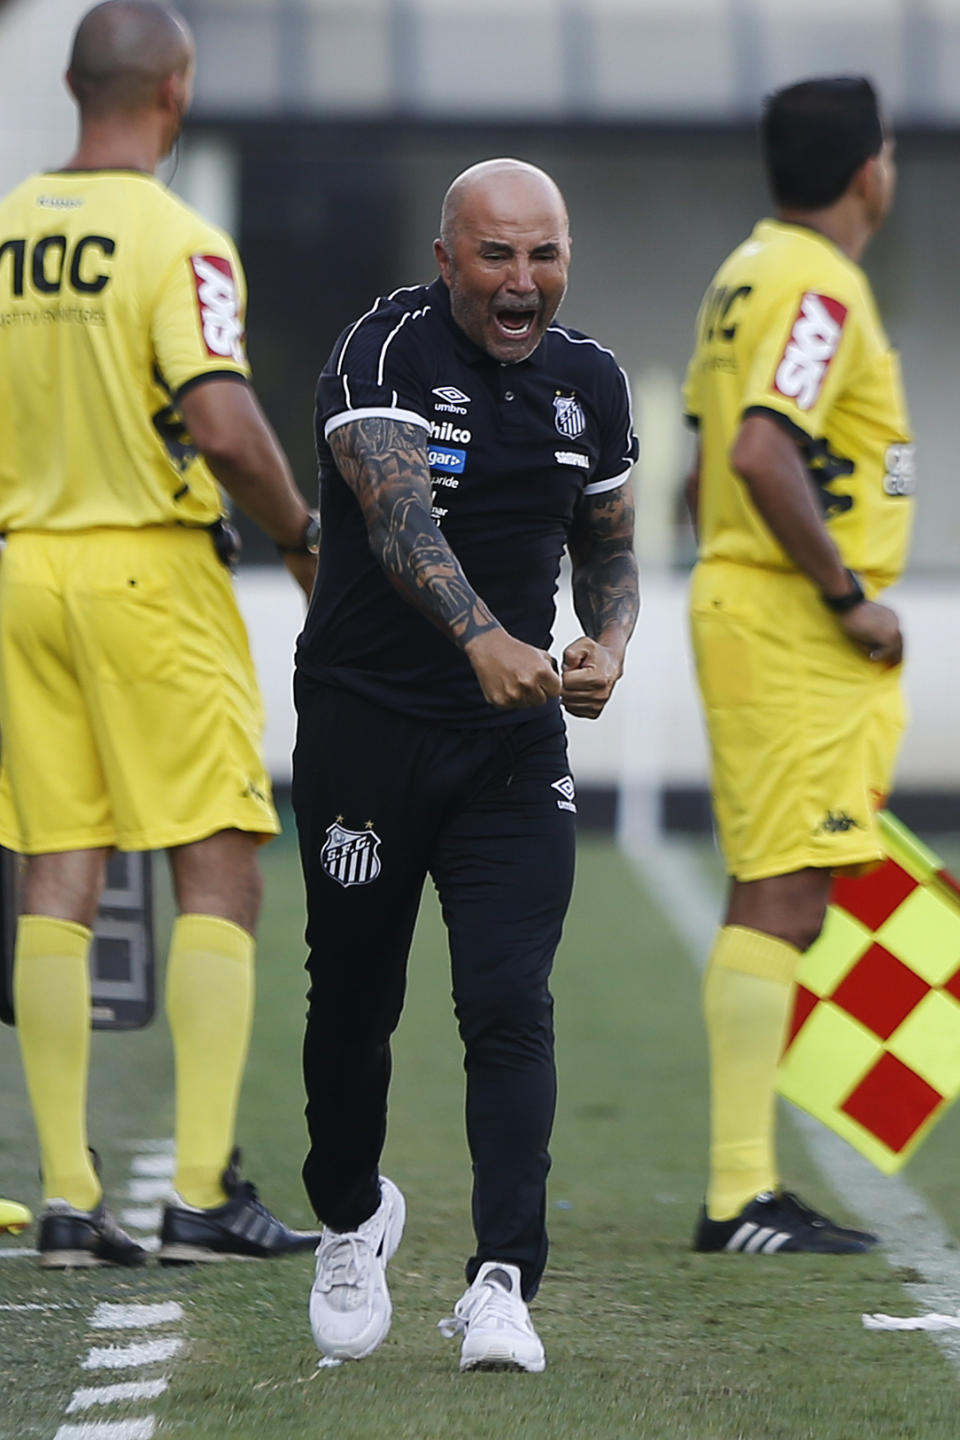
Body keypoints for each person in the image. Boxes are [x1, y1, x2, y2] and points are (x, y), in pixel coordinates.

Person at [293, 158, 639, 1370]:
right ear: (447, 261)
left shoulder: (590, 380)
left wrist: (605, 645)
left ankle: (503, 1282)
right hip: (364, 729)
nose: (521, 280)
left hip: (510, 746)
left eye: (542, 254)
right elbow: (397, 520)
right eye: (495, 255)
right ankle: (349, 1215)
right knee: (353, 1001)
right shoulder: (379, 351)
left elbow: (607, 547)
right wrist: (482, 635)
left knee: (506, 1003)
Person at [0, 0, 322, 1268]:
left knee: (58, 869)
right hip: (149, 569)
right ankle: (198, 1192)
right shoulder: (179, 239)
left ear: (80, 86)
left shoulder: (10, 227)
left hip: (25, 571)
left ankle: (71, 1197)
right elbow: (227, 426)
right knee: (219, 863)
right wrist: (302, 535)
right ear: (174, 91)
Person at [682, 76, 913, 1255]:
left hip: (743, 602)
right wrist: (844, 594)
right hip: (791, 619)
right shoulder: (820, 284)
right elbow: (766, 450)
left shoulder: (746, 270)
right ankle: (737, 1193)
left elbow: (704, 468)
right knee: (781, 891)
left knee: (779, 882)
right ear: (869, 169)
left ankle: (741, 1186)